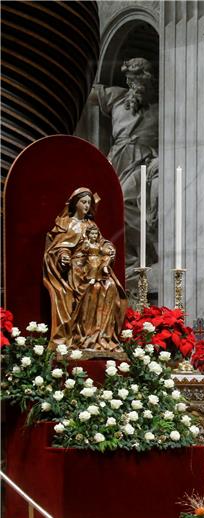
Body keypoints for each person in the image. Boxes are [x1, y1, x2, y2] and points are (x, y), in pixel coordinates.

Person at [91, 58, 159, 285]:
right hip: (117, 156)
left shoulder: (159, 104)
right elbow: (87, 94)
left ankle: (143, 255)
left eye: (138, 77)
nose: (134, 83)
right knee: (108, 205)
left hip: (142, 160)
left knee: (127, 202)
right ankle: (128, 258)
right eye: (130, 78)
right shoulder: (118, 97)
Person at [44, 188, 127, 352]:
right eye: (83, 202)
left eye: (89, 202)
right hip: (77, 270)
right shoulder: (67, 224)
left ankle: (100, 336)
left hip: (94, 267)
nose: (87, 205)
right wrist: (63, 256)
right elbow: (59, 247)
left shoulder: (91, 224)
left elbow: (101, 242)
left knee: (110, 287)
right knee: (92, 288)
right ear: (75, 203)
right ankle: (81, 337)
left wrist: (109, 248)